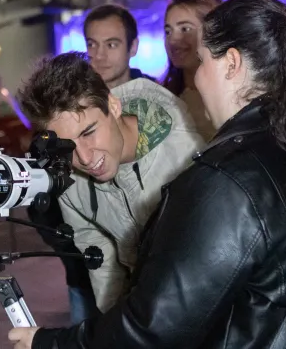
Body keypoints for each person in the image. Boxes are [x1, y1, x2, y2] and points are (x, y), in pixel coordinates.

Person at [9, 0, 286, 349]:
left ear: (230, 64)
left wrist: (50, 344)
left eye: (201, 61)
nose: (193, 76)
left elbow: (156, 328)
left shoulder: (226, 179)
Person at [16, 52, 205, 313]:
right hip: (143, 307)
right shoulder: (70, 177)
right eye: (65, 146)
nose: (84, 157)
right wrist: (111, 326)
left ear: (113, 107)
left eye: (89, 133)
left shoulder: (186, 152)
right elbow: (98, 251)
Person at [160, 0, 221, 141]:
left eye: (185, 29)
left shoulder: (230, 100)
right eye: (168, 31)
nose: (173, 40)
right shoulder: (163, 95)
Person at [83, 3, 155, 89]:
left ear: (133, 47)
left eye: (111, 45)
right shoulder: (71, 97)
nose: (99, 56)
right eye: (91, 45)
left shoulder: (158, 97)